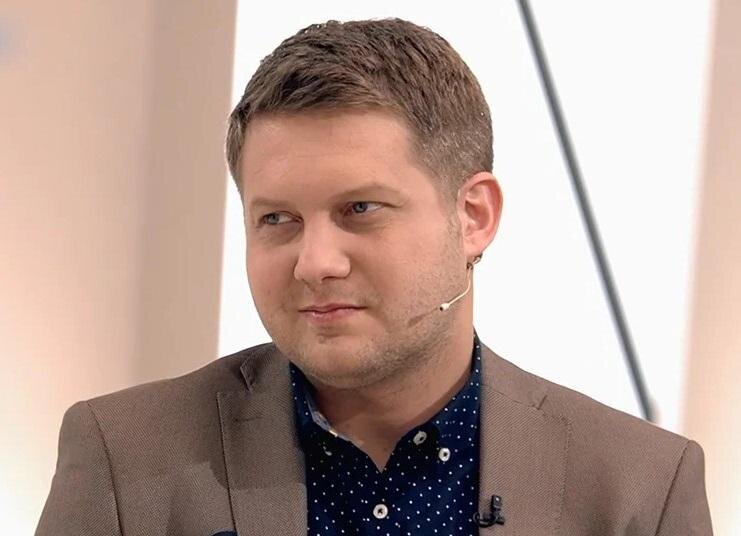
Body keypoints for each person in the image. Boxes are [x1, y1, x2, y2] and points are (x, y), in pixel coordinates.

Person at [36, 17, 712, 536]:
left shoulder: (639, 489)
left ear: (473, 216)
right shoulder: (125, 458)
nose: (315, 262)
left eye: (359, 209)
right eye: (277, 219)